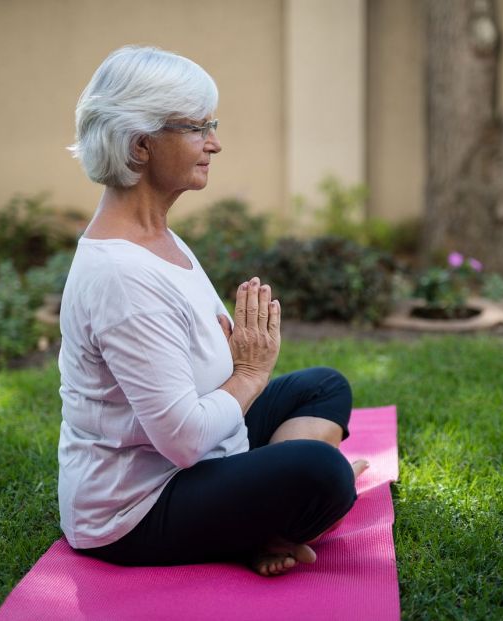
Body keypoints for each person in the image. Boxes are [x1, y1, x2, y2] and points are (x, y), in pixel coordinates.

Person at [58, 45, 368, 577]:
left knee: (323, 386)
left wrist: (224, 361)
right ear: (140, 147)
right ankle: (271, 517)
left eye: (211, 124)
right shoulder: (120, 275)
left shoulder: (158, 236)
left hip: (205, 451)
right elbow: (181, 441)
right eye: (198, 128)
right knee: (323, 472)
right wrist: (247, 373)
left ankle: (266, 518)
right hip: (137, 508)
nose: (215, 143)